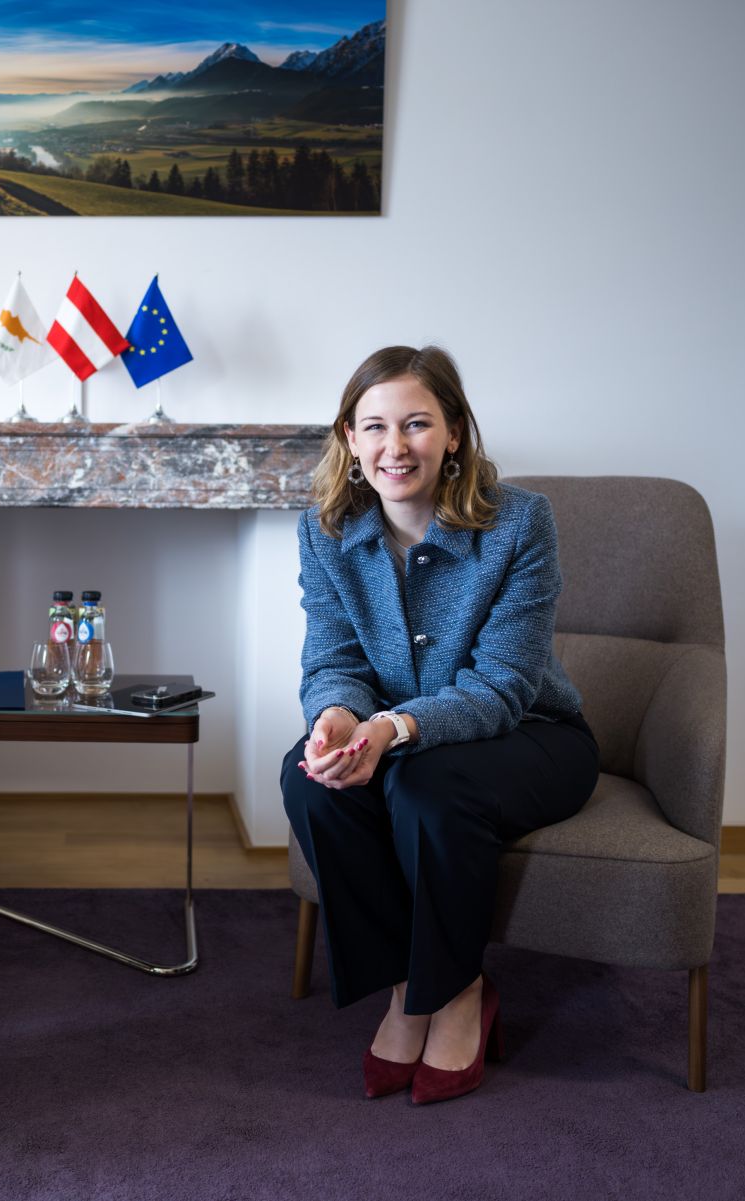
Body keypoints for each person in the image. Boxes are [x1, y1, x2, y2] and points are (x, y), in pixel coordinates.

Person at [281, 345, 599, 1105]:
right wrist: (334, 720)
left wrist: (390, 729)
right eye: (377, 427)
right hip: (397, 735)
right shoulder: (326, 530)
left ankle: (456, 993)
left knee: (425, 789)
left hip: (532, 734)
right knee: (311, 780)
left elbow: (503, 686)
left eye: (418, 424)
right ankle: (403, 986)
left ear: (453, 432)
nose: (397, 447)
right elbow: (332, 660)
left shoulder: (521, 522)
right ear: (350, 439)